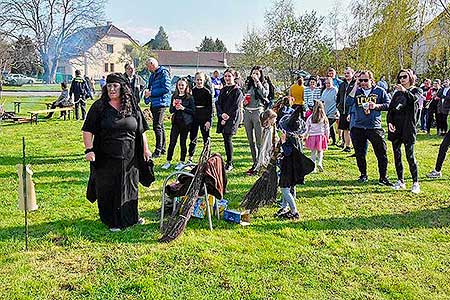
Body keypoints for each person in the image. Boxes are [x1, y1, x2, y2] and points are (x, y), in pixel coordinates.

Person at [82, 73, 151, 231]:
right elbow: (87, 130)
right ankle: (112, 220)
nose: (111, 89)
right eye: (109, 86)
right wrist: (89, 150)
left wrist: (145, 149)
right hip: (106, 156)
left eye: (115, 86)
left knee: (130, 186)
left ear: (123, 88)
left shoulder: (132, 106)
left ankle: (131, 217)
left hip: (130, 156)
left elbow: (141, 130)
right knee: (109, 187)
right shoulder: (99, 107)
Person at [346, 70, 392, 185]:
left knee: (381, 153)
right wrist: (355, 86)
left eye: (365, 80)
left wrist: (376, 106)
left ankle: (383, 177)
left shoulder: (379, 91)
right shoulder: (356, 91)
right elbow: (348, 102)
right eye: (360, 80)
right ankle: (363, 174)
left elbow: (388, 104)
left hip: (374, 126)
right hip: (358, 126)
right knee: (360, 153)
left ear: (371, 80)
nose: (363, 82)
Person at [387, 69, 421, 194]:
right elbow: (391, 109)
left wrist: (404, 91)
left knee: (410, 155)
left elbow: (413, 100)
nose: (402, 79)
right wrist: (390, 122)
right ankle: (400, 181)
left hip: (408, 128)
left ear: (410, 77)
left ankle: (415, 182)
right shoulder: (397, 94)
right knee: (397, 155)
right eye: (400, 77)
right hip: (396, 128)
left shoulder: (416, 90)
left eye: (404, 77)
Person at [162, 78, 195, 170]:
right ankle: (168, 161)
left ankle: (181, 162)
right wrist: (173, 106)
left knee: (182, 143)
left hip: (185, 123)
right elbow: (171, 111)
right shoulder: (174, 96)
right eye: (179, 85)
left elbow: (193, 111)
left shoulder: (189, 97)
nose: (180, 87)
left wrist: (183, 108)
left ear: (186, 86)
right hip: (176, 122)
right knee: (172, 142)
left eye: (182, 85)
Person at [216, 68, 244, 172]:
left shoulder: (237, 90)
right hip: (223, 116)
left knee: (228, 138)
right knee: (225, 138)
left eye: (229, 76)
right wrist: (221, 114)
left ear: (234, 77)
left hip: (232, 117)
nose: (227, 78)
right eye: (226, 76)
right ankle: (228, 161)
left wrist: (227, 116)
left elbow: (235, 105)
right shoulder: (223, 89)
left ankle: (230, 162)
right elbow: (218, 103)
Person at [243, 66, 269, 175]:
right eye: (253, 73)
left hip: (258, 112)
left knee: (259, 140)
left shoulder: (264, 83)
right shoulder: (248, 84)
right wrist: (244, 102)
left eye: (257, 73)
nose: (254, 75)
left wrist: (258, 82)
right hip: (247, 112)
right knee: (251, 140)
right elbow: (244, 94)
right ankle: (254, 163)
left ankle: (260, 162)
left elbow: (265, 94)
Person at [144, 57, 171, 158]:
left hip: (161, 103)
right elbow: (149, 87)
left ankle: (158, 150)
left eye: (148, 66)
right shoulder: (152, 75)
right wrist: (147, 95)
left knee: (157, 126)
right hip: (154, 103)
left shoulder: (163, 73)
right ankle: (163, 148)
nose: (148, 69)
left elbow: (166, 88)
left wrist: (152, 93)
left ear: (152, 64)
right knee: (161, 126)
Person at [188, 72, 213, 163]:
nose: (199, 82)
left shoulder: (207, 92)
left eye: (201, 80)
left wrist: (208, 120)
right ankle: (190, 157)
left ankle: (207, 156)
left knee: (205, 137)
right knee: (193, 137)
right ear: (195, 80)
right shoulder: (192, 91)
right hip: (194, 116)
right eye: (197, 80)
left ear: (204, 80)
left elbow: (210, 107)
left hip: (204, 115)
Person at [305, 100, 329, 172]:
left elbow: (307, 127)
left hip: (312, 136)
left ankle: (313, 167)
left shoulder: (310, 117)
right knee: (320, 151)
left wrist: (305, 135)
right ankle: (320, 163)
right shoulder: (324, 117)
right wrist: (327, 136)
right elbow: (327, 128)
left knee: (313, 152)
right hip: (321, 136)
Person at [336, 67, 356, 152]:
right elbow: (339, 97)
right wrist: (338, 106)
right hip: (343, 111)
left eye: (348, 73)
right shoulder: (342, 84)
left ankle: (355, 147)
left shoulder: (356, 84)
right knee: (345, 129)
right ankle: (347, 146)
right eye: (345, 73)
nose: (346, 75)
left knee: (353, 130)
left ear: (352, 73)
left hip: (352, 111)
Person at [320, 77, 338, 145]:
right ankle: (334, 141)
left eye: (329, 83)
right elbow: (322, 100)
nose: (327, 85)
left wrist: (336, 110)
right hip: (325, 112)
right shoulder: (324, 91)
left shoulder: (335, 90)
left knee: (326, 126)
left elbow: (337, 101)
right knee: (330, 127)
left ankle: (323, 141)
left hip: (333, 112)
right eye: (326, 83)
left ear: (332, 83)